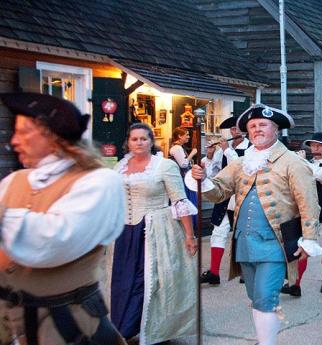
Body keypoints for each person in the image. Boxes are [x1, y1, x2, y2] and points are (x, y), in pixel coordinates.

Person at [190, 104, 322, 345]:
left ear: (276, 129)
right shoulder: (242, 162)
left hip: (275, 243)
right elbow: (219, 191)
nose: (257, 130)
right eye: (252, 126)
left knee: (264, 297)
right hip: (245, 242)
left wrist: (309, 238)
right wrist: (204, 179)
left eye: (263, 125)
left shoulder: (292, 162)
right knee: (254, 296)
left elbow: (309, 203)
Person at [0, 92, 126, 344]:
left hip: (68, 325)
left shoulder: (101, 182)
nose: (14, 141)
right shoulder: (15, 181)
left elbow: (54, 240)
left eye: (24, 132)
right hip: (10, 321)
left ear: (53, 136)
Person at [110, 123, 199, 344]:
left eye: (143, 138)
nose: (139, 142)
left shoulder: (164, 166)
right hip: (124, 231)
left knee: (150, 279)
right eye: (134, 139)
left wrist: (189, 235)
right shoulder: (119, 167)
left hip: (155, 229)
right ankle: (123, 326)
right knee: (122, 279)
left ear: (151, 141)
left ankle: (155, 329)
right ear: (128, 142)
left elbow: (179, 200)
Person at [281, 132, 322, 296]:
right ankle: (296, 284)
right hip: (307, 216)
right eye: (313, 146)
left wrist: (300, 162)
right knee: (302, 249)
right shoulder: (307, 164)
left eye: (319, 146)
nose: (315, 149)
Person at [200, 115, 251, 285]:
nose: (234, 131)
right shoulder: (222, 150)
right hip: (225, 195)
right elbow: (215, 174)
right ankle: (214, 272)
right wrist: (209, 157)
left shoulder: (251, 149)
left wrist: (227, 150)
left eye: (237, 129)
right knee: (218, 232)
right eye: (232, 129)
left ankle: (246, 270)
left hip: (243, 195)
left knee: (244, 233)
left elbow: (241, 168)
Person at [169, 126, 199, 228]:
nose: (188, 137)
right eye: (186, 135)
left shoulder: (179, 147)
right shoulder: (177, 148)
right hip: (182, 181)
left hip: (185, 180)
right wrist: (192, 153)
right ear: (179, 136)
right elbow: (183, 164)